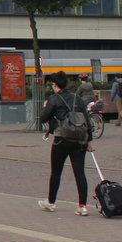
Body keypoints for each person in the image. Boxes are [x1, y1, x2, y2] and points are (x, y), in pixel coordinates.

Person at [38, 70, 94, 216]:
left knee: (56, 172)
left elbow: (43, 118)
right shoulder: (77, 98)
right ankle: (82, 206)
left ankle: (51, 202)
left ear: (55, 85)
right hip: (79, 140)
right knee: (80, 172)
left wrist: (46, 106)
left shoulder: (54, 99)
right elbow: (87, 121)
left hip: (61, 139)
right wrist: (89, 140)